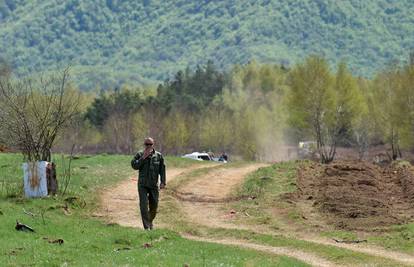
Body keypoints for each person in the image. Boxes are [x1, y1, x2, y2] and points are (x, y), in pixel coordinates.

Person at [131, 137, 166, 230]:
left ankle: (150, 221)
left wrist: (163, 182)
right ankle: (147, 227)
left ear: (153, 145)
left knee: (154, 206)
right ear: (144, 145)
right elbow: (134, 165)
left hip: (153, 185)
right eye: (147, 144)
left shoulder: (159, 156)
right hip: (142, 185)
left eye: (150, 144)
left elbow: (162, 170)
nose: (148, 146)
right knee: (143, 205)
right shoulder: (140, 154)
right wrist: (143, 158)